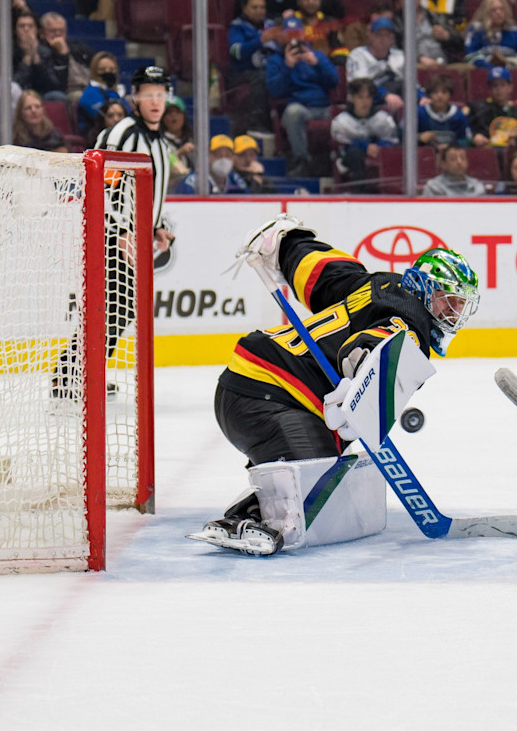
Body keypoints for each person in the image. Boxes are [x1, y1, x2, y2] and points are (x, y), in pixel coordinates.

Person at [193, 217, 480, 554]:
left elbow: (324, 272)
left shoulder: (375, 285)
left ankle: (263, 502)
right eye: (449, 300)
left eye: (460, 304)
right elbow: (375, 345)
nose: (455, 311)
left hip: (254, 386)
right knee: (318, 503)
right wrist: (360, 379)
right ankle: (260, 522)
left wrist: (287, 243)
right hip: (267, 395)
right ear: (423, 287)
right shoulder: (410, 321)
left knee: (332, 474)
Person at [55, 66, 174, 400]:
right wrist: (121, 231)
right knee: (113, 307)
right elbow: (105, 185)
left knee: (116, 309)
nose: (154, 101)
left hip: (132, 237)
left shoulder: (159, 139)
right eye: (148, 94)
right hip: (109, 235)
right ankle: (71, 376)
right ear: (134, 97)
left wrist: (157, 226)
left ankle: (77, 374)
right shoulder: (122, 132)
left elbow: (148, 191)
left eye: (160, 94)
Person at [267, 37, 339, 177]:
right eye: (289, 38)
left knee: (343, 115)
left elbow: (334, 82)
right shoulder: (276, 60)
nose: (294, 44)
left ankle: (337, 161)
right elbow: (275, 91)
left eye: (297, 37)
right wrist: (288, 67)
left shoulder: (317, 55)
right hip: (299, 107)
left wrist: (317, 64)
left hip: (323, 107)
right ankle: (302, 161)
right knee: (293, 112)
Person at [331, 76, 400, 188]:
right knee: (355, 155)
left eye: (368, 97)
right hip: (351, 161)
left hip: (378, 156)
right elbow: (342, 148)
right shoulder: (341, 121)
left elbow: (392, 142)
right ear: (352, 98)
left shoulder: (384, 119)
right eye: (360, 97)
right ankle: (359, 192)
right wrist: (364, 146)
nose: (365, 102)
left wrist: (377, 147)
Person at [228, 0, 275, 136]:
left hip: (269, 69)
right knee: (260, 78)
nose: (259, 11)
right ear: (245, 8)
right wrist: (259, 41)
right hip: (242, 73)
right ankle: (256, 123)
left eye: (262, 7)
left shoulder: (271, 26)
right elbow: (236, 52)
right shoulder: (237, 27)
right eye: (255, 7)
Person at [346, 17, 405, 113]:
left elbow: (411, 84)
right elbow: (361, 85)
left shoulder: (400, 56)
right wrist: (385, 95)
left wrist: (421, 97)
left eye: (387, 35)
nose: (383, 39)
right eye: (379, 35)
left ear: (392, 37)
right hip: (366, 105)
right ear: (370, 35)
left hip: (396, 101)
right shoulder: (357, 55)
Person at [469, 65, 517, 148]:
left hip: (515, 152)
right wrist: (475, 136)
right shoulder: (479, 109)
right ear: (489, 89)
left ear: (510, 87)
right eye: (494, 86)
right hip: (488, 151)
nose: (498, 89)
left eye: (502, 85)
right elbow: (467, 131)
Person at [174, 134, 251, 195]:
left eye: (228, 155)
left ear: (233, 158)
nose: (223, 160)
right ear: (207, 157)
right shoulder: (192, 183)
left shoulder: (236, 180)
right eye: (218, 155)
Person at [464, 0, 517, 68]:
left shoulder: (514, 31)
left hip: (511, 71)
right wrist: (491, 68)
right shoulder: (476, 29)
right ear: (486, 12)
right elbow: (471, 56)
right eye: (494, 10)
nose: (498, 13)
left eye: (501, 9)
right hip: (484, 71)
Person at [76, 51, 127, 135]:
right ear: (94, 71)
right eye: (102, 69)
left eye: (111, 69)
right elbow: (104, 118)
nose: (107, 72)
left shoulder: (118, 93)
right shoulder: (90, 94)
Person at [417, 72, 472, 147]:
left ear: (450, 94)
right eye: (435, 92)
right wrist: (419, 138)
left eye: (444, 92)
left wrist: (451, 146)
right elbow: (402, 137)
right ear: (429, 94)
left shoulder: (459, 115)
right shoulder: (419, 113)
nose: (440, 96)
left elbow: (467, 140)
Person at [422, 143, 488, 195]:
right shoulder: (434, 187)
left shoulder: (476, 186)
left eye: (462, 158)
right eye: (453, 159)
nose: (459, 162)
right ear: (443, 164)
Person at [161, 95, 194, 191]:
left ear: (183, 116)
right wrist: (179, 153)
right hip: (171, 191)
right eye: (169, 113)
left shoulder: (193, 139)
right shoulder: (160, 142)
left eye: (177, 112)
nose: (173, 116)